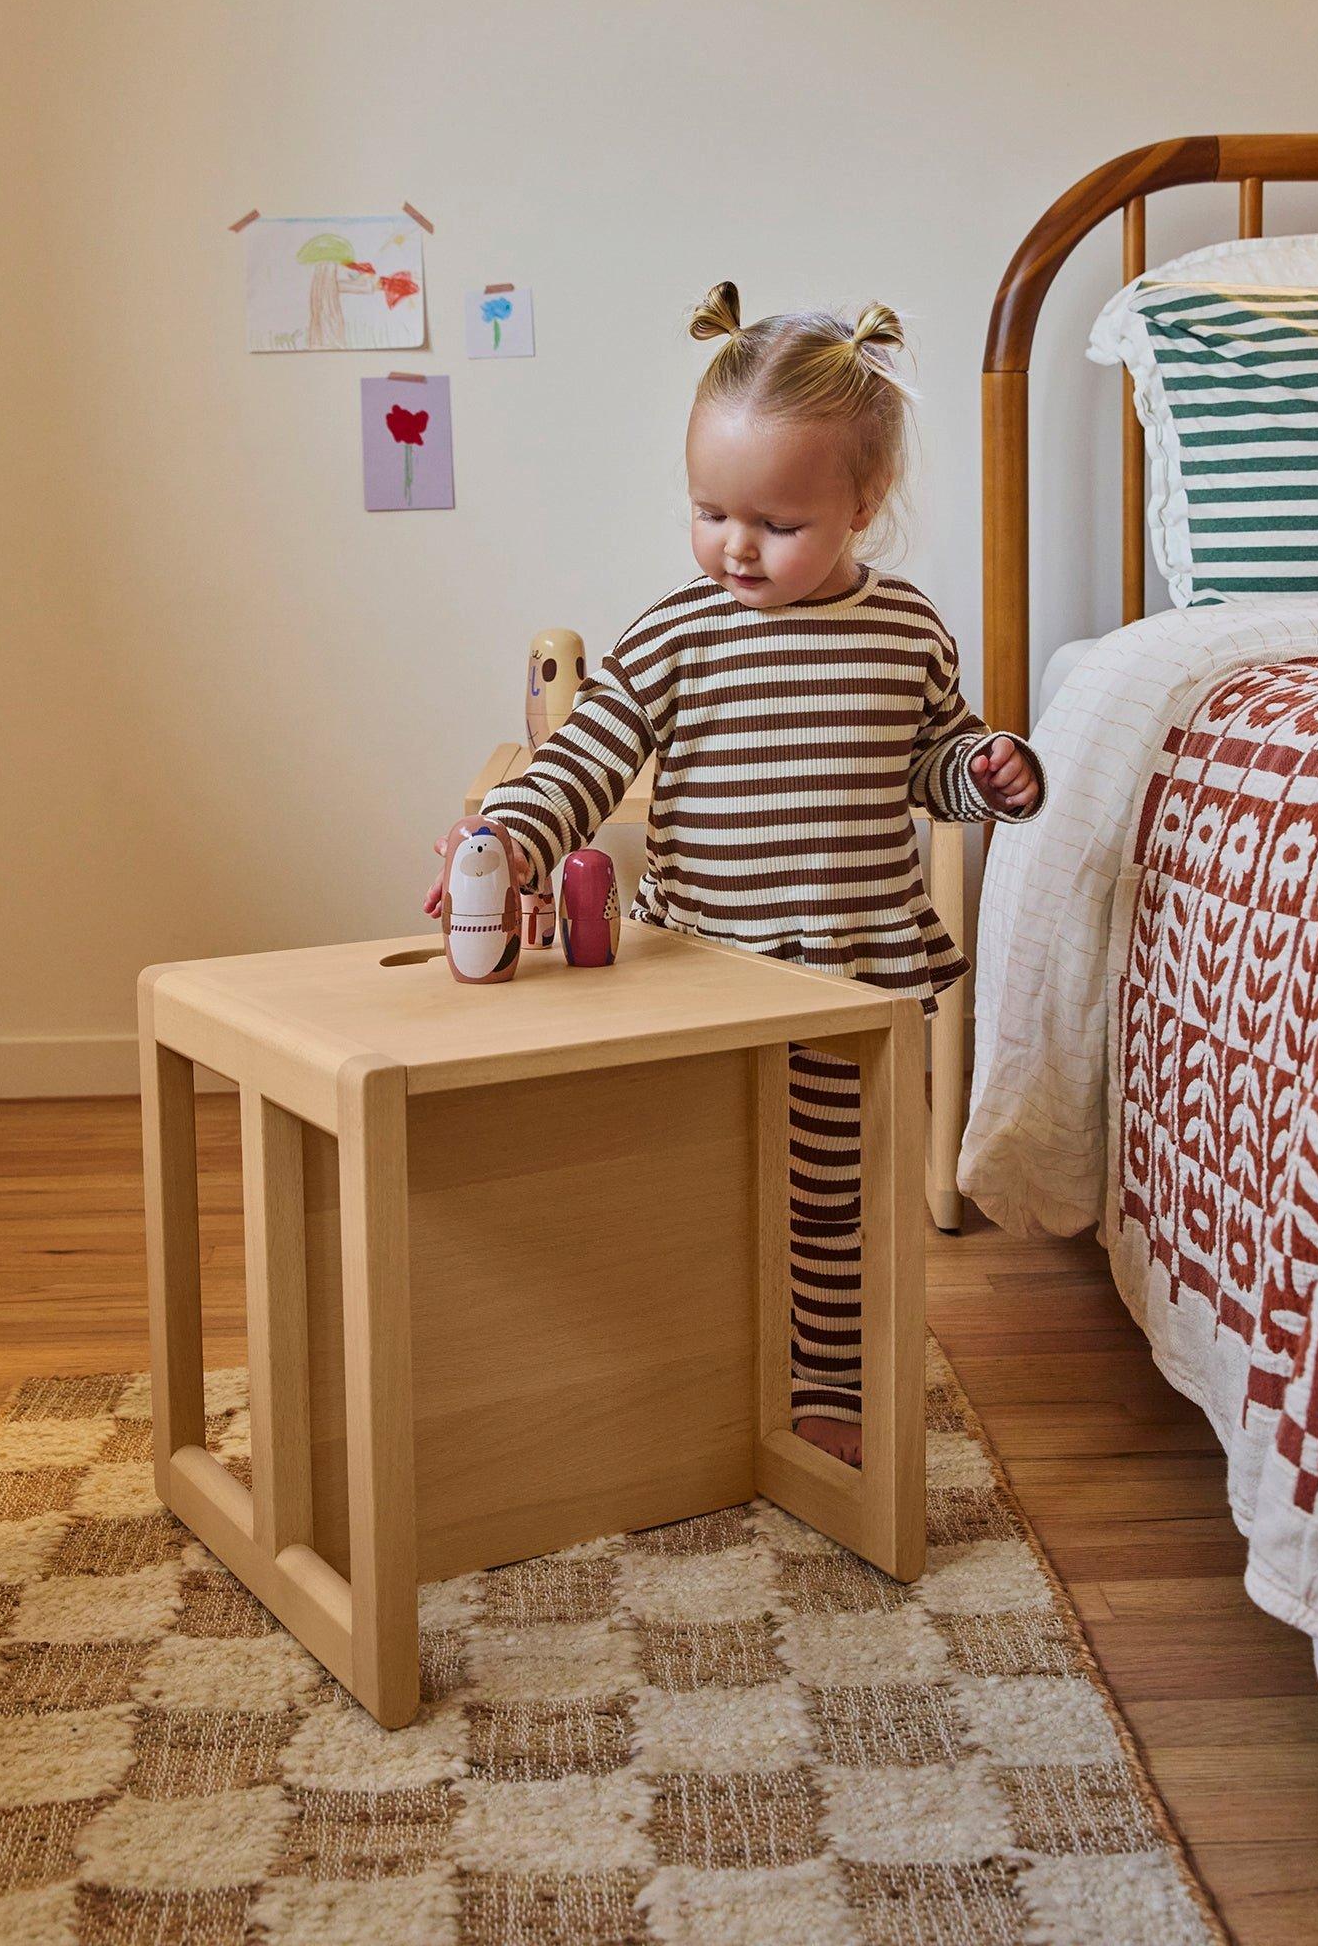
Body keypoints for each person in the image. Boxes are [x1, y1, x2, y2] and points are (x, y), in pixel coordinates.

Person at [423, 280, 1044, 1466]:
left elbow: (930, 760)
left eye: (776, 522)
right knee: (688, 1186)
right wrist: (501, 835)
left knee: (833, 1208)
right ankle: (675, 1365)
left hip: (847, 983)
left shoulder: (907, 630)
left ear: (862, 503)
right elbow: (584, 762)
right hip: (701, 975)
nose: (736, 547)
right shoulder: (673, 636)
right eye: (709, 512)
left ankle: (830, 1384)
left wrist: (989, 770)